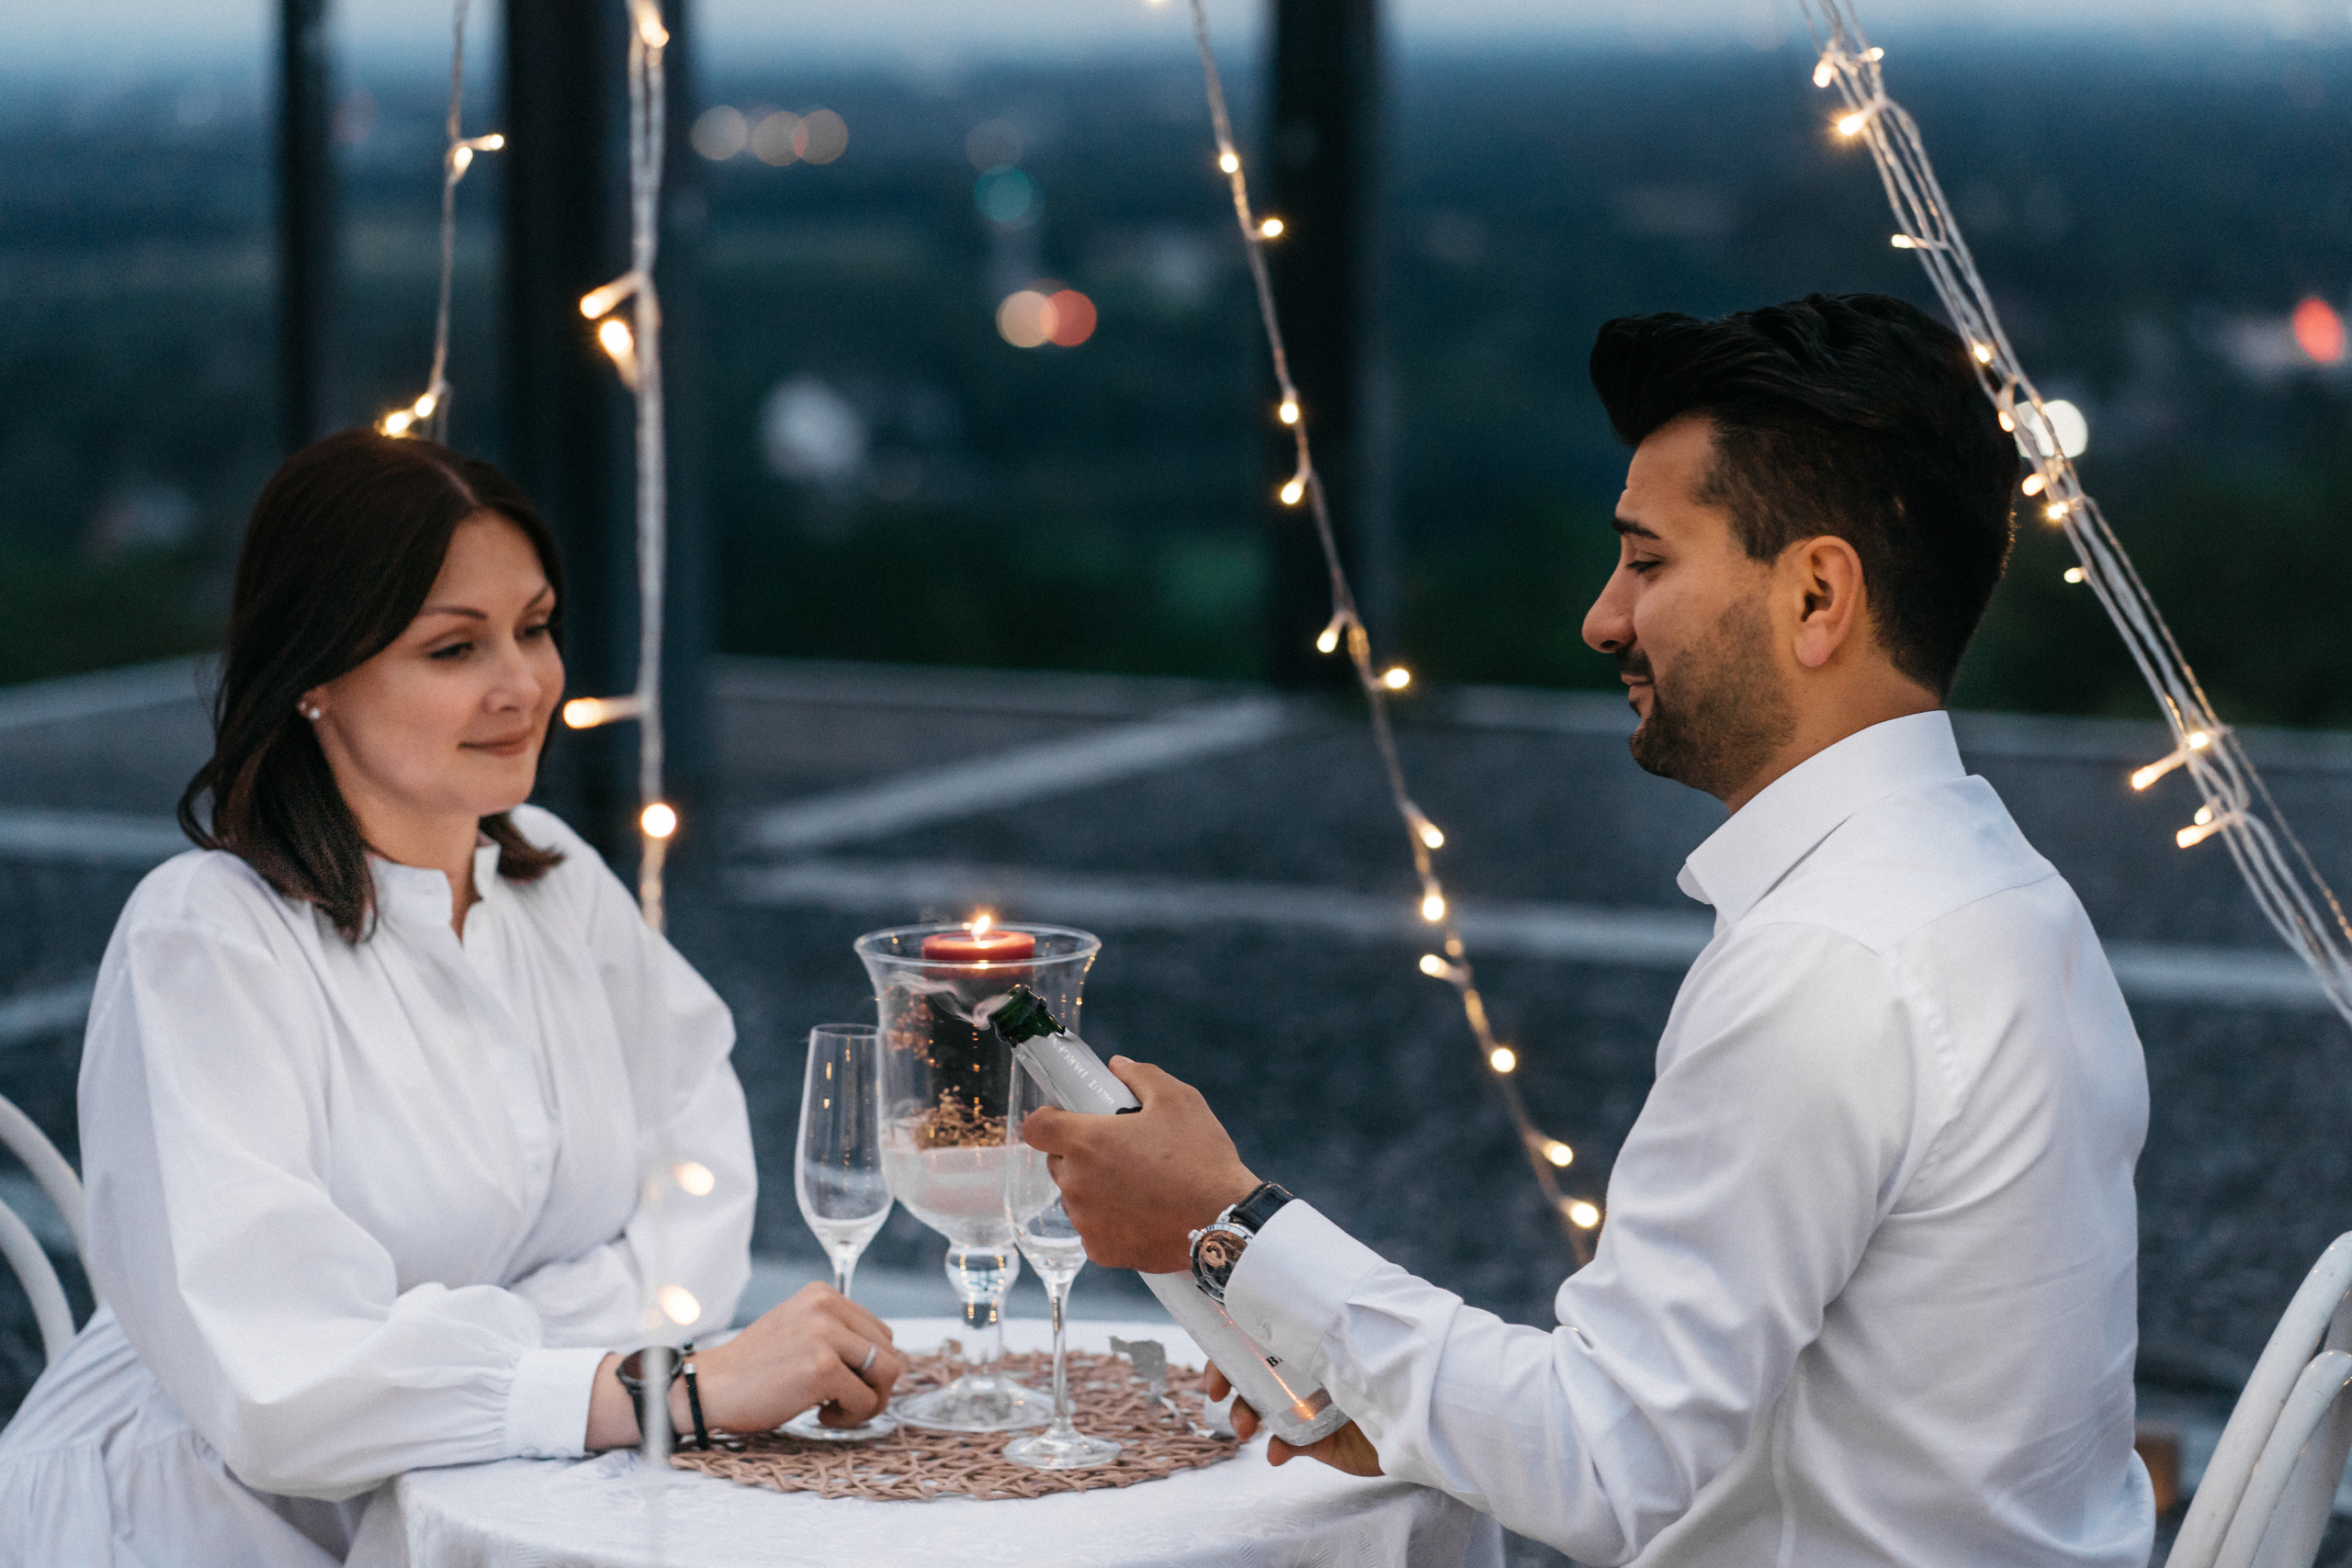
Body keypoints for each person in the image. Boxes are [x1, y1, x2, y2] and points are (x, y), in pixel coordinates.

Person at [1025, 295, 2153, 1566]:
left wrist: (1223, 1223)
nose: (1602, 617)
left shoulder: (1832, 959)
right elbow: (1716, 1410)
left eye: (1649, 560)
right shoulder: (2004, 888)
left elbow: (1608, 1464)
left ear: (1818, 594)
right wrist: (1398, 1410)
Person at [0, 431, 906, 1565]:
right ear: (314, 677)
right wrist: (653, 1382)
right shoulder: (209, 938)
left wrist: (470, 1360)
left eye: (534, 628)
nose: (522, 684)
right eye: (454, 648)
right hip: (199, 1521)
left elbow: (700, 1198)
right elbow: (285, 1393)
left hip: (520, 1476)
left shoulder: (556, 879)